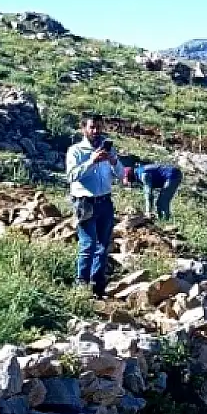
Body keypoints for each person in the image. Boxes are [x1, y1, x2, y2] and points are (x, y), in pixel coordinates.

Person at [66, 114, 123, 298]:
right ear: (84, 129)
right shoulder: (76, 151)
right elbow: (71, 176)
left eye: (99, 127)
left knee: (103, 245)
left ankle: (98, 287)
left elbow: (121, 174)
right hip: (85, 203)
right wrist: (92, 161)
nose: (96, 131)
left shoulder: (108, 149)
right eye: (92, 127)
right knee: (88, 244)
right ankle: (81, 286)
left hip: (105, 201)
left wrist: (113, 160)